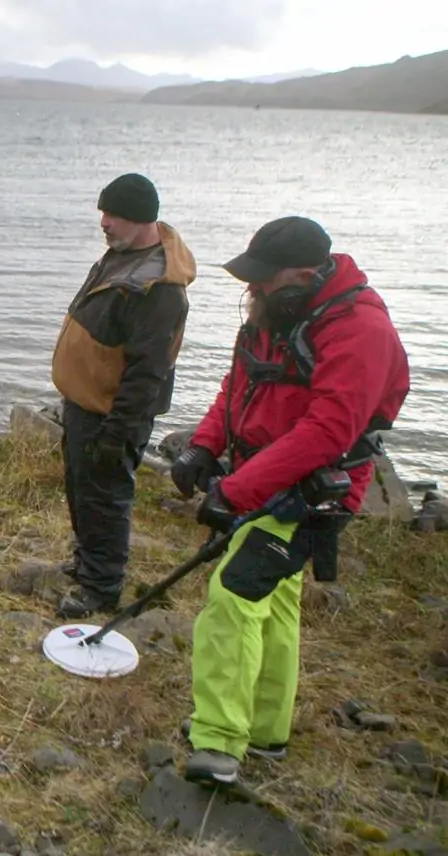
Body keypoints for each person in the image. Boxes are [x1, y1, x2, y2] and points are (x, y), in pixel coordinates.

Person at [171, 216, 409, 785]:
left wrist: (235, 491)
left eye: (263, 280)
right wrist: (205, 447)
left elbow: (329, 431)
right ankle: (265, 731)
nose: (251, 290)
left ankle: (219, 741)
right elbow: (239, 385)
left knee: (232, 594)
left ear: (304, 274)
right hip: (261, 475)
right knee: (274, 605)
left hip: (311, 493)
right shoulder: (275, 312)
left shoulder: (360, 330)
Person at [49, 173, 196, 619]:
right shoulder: (125, 254)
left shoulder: (158, 288)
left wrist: (117, 434)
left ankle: (101, 587)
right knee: (82, 489)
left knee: (105, 497)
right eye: (102, 212)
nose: (103, 223)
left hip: (112, 413)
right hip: (86, 403)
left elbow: (146, 372)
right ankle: (87, 563)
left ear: (139, 218)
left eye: (112, 214)